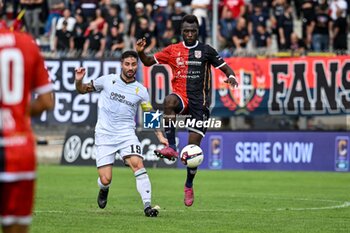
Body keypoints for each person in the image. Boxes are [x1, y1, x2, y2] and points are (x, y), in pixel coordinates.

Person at [136, 14, 238, 207]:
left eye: (193, 31)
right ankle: (172, 147)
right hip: (181, 98)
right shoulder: (173, 50)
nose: (190, 34)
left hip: (200, 105)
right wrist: (140, 53)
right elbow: (148, 62)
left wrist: (232, 78)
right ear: (181, 31)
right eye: (186, 31)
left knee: (193, 151)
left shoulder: (206, 50)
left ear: (198, 31)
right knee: (169, 101)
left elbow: (226, 68)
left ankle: (189, 184)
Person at [74, 50, 168, 217]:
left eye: (133, 64)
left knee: (138, 164)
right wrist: (78, 80)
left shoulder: (141, 90)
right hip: (104, 134)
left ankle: (147, 206)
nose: (130, 67)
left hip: (126, 135)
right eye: (127, 64)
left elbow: (149, 114)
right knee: (106, 179)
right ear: (121, 65)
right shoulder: (107, 80)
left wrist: (160, 136)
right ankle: (103, 189)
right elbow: (82, 90)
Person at [0, 0, 55, 231]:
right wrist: (17, 111)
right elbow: (46, 101)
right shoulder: (27, 44)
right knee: (16, 227)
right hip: (19, 147)